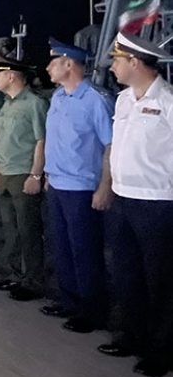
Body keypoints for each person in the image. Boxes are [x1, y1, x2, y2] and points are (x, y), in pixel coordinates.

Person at [100, 32, 173, 377]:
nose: (111, 66)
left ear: (135, 62)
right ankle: (131, 335)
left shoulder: (169, 101)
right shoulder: (123, 100)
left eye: (116, 60)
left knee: (160, 279)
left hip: (158, 203)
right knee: (126, 273)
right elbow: (116, 147)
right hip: (123, 199)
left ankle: (162, 349)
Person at [41, 37, 112, 334]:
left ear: (69, 64)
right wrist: (46, 175)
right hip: (57, 183)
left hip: (82, 187)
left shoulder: (96, 100)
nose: (47, 68)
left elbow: (110, 145)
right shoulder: (58, 97)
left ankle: (92, 309)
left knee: (85, 250)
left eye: (53, 62)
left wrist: (105, 185)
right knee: (62, 246)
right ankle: (70, 300)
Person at [0, 53, 48, 301]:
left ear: (11, 76)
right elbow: (3, 139)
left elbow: (41, 141)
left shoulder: (34, 103)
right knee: (11, 229)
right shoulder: (8, 103)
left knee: (28, 230)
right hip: (6, 172)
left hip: (24, 173)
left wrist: (36, 174)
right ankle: (14, 274)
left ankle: (33, 281)